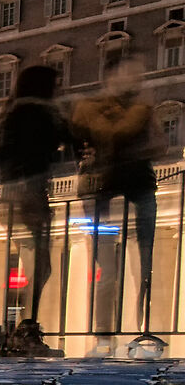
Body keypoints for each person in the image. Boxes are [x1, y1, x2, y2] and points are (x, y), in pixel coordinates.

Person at [70, 50, 159, 342]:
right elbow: (96, 140)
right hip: (105, 191)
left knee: (144, 266)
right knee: (109, 269)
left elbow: (159, 144)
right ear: (112, 75)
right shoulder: (99, 108)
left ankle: (139, 332)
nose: (136, 78)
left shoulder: (137, 109)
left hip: (129, 189)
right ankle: (106, 336)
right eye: (131, 72)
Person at [0, 64, 70, 342]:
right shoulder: (36, 113)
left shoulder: (12, 113)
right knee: (41, 267)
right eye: (56, 84)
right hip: (28, 195)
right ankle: (26, 329)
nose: (60, 89)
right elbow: (57, 141)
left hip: (14, 197)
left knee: (37, 266)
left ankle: (26, 327)